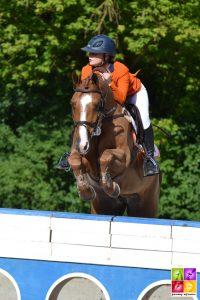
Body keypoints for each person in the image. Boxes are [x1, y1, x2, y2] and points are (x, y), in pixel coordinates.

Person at [81, 34, 159, 177]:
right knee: (84, 114)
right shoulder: (86, 70)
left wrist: (109, 83)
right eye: (89, 52)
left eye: (93, 53)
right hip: (107, 98)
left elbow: (122, 98)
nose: (89, 56)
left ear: (106, 56)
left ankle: (149, 159)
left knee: (144, 118)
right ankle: (75, 150)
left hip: (133, 94)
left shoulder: (120, 69)